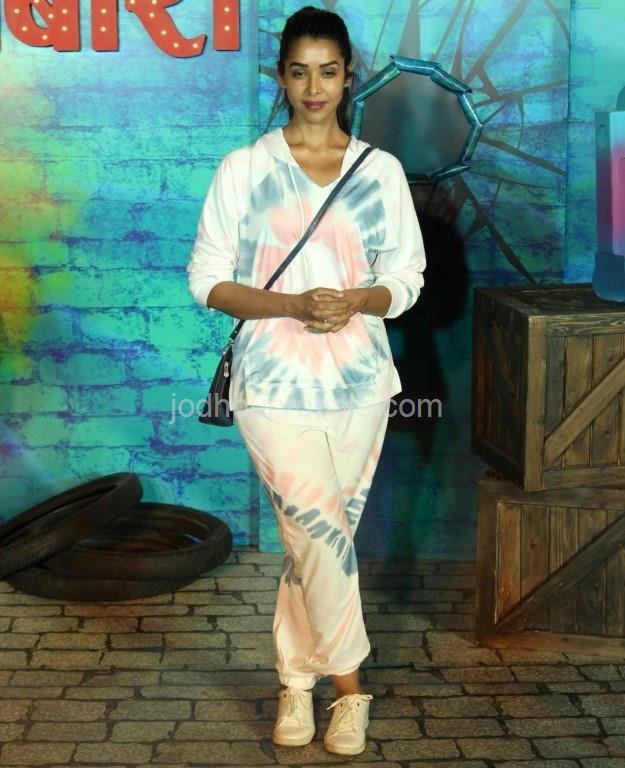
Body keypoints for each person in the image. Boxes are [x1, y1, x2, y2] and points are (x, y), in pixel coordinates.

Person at [187, 5, 426, 756]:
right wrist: (291, 304)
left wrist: (358, 298)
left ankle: (295, 681)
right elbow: (206, 281)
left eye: (328, 71)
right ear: (281, 77)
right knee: (317, 531)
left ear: (348, 76)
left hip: (360, 383)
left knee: (319, 542)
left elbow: (407, 279)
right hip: (271, 383)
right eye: (299, 72)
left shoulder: (379, 171)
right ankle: (351, 689)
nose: (314, 87)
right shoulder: (245, 168)